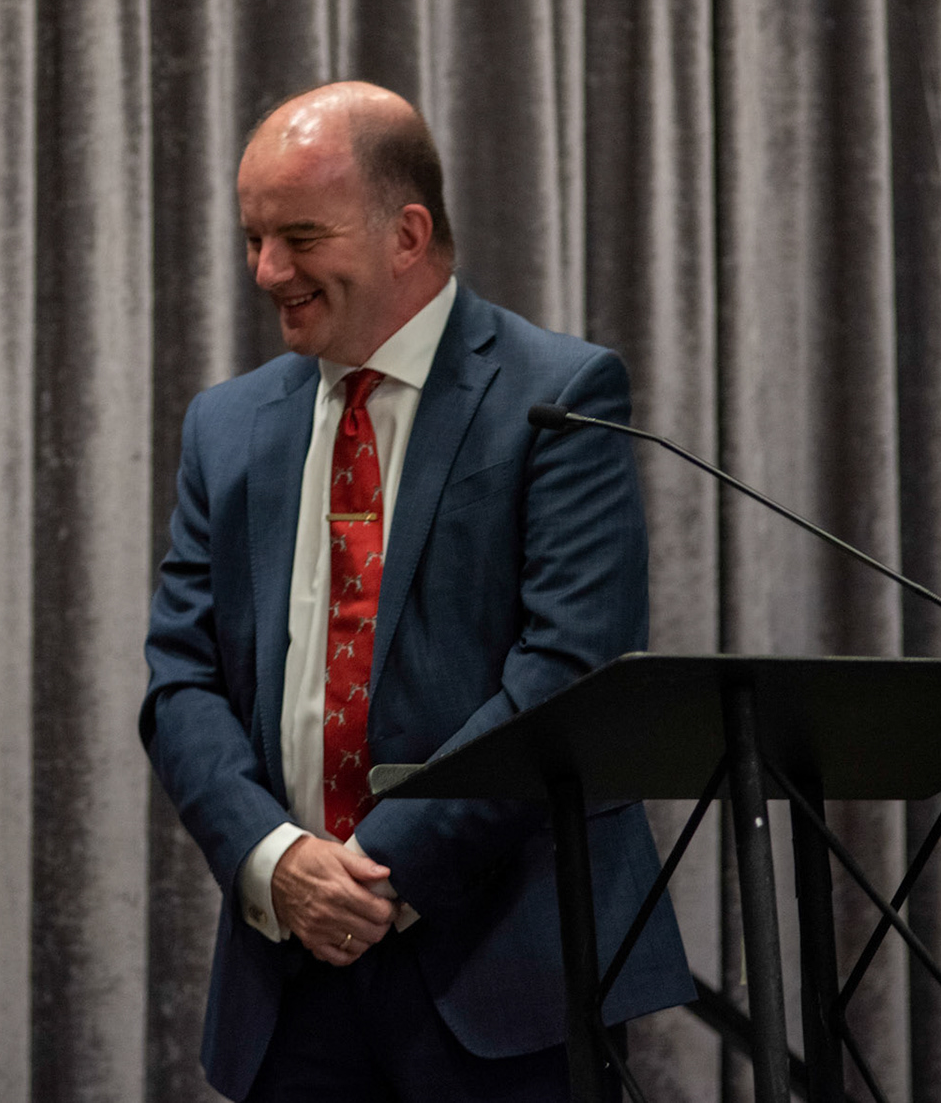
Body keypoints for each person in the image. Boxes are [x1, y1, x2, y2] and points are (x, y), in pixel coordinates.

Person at [141, 82, 692, 1101]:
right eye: (255, 239)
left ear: (407, 233)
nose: (267, 272)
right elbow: (181, 678)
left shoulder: (560, 396)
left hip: (504, 967)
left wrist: (374, 873)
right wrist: (277, 860)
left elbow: (569, 670)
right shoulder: (226, 425)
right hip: (288, 980)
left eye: (300, 237)